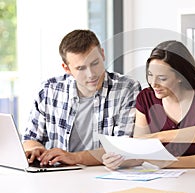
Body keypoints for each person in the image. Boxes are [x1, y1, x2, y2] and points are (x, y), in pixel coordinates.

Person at [22, 29, 141, 167]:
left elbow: (123, 148)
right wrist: (34, 149)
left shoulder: (127, 88)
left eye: (95, 63)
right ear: (66, 68)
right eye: (80, 68)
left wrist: (75, 158)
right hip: (59, 177)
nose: (91, 74)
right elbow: (30, 138)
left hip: (104, 175)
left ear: (102, 54)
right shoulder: (49, 90)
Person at [102, 40, 195, 170]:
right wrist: (119, 160)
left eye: (162, 78)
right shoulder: (146, 98)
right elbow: (140, 151)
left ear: (181, 76)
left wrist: (167, 163)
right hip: (161, 180)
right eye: (150, 75)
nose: (153, 83)